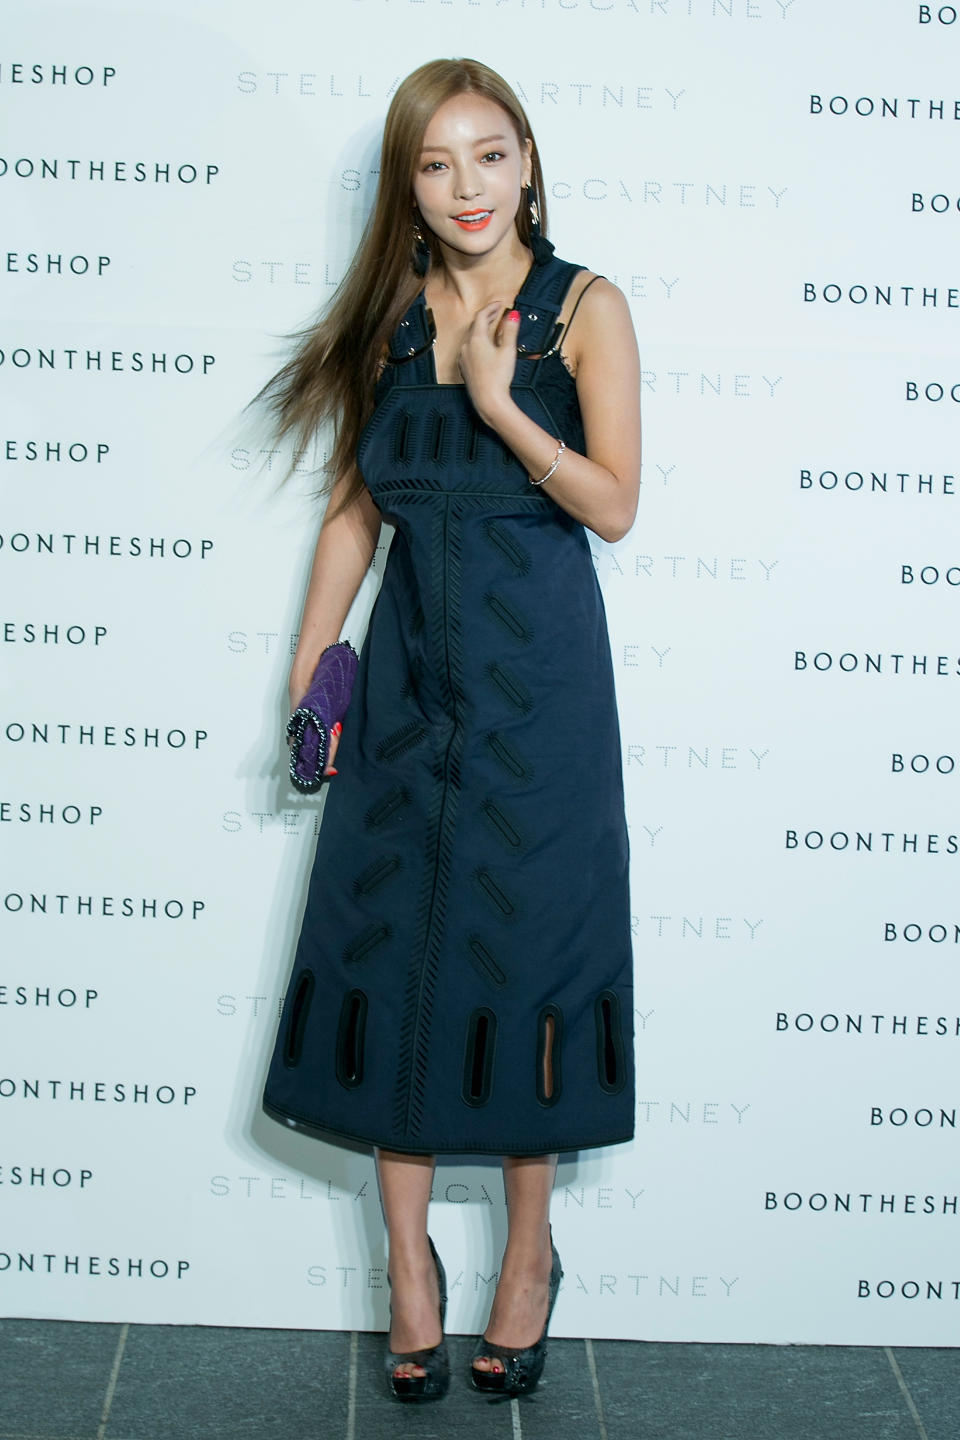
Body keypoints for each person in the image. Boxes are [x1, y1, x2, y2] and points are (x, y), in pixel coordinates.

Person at [259, 57, 641, 1402]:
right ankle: (408, 1267)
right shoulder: (390, 316)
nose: (467, 185)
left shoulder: (585, 309)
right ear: (407, 186)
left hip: (542, 698)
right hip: (410, 684)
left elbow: (613, 505)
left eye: (489, 155)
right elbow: (356, 513)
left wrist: (494, 403)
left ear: (528, 162)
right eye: (436, 163)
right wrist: (317, 670)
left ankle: (528, 1259)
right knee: (389, 957)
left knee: (525, 970)